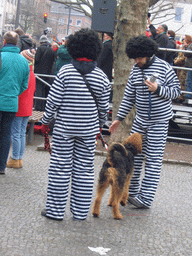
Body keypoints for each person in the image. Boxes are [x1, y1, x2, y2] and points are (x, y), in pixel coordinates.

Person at [40, 28, 111, 221]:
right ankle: (80, 213)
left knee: (59, 169)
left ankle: (55, 211)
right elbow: (104, 109)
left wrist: (45, 122)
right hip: (88, 131)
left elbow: (53, 101)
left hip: (64, 129)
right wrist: (98, 126)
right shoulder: (102, 77)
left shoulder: (65, 72)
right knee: (84, 171)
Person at [109, 35, 181, 209]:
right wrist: (118, 118)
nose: (137, 61)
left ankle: (146, 198)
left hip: (159, 121)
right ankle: (131, 192)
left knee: (154, 160)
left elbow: (176, 91)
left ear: (148, 54)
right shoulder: (135, 70)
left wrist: (159, 89)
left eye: (139, 58)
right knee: (133, 157)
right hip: (140, 120)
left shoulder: (164, 68)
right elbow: (129, 96)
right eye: (134, 58)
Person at [0, 31, 29, 175]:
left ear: (4, 41)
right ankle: (1, 166)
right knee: (6, 135)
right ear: (17, 43)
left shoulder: (1, 56)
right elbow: (25, 85)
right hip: (11, 103)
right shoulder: (23, 61)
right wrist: (14, 93)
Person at [6, 49, 36, 169]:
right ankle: (19, 158)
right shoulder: (32, 74)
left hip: (19, 106)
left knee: (16, 134)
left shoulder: (23, 73)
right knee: (22, 133)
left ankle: (14, 158)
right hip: (28, 107)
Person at [34, 35, 55, 111]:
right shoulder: (51, 50)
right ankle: (44, 106)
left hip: (39, 73)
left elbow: (36, 60)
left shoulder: (39, 49)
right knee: (45, 90)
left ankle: (38, 107)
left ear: (41, 42)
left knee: (39, 89)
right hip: (48, 73)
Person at [98, 32, 113, 102]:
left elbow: (101, 59)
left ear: (108, 36)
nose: (104, 37)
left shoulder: (106, 45)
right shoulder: (112, 45)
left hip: (104, 70)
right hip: (108, 70)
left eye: (105, 36)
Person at [183, 35, 192, 103]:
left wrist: (186, 47)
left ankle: (188, 95)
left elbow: (187, 54)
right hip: (190, 65)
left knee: (189, 80)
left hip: (190, 65)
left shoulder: (190, 45)